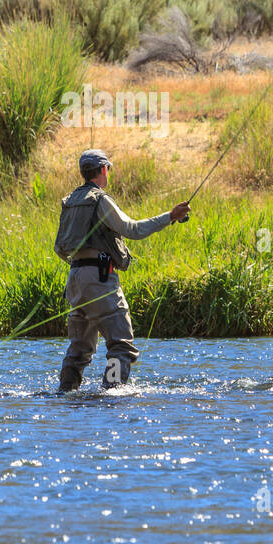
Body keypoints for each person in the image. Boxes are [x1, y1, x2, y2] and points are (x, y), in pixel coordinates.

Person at [53, 149, 191, 392]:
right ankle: (112, 392)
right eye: (109, 170)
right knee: (121, 346)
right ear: (104, 169)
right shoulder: (100, 200)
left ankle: (65, 394)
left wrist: (83, 270)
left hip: (74, 280)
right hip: (99, 280)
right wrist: (171, 216)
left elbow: (60, 248)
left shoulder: (70, 200)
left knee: (79, 349)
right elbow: (133, 229)